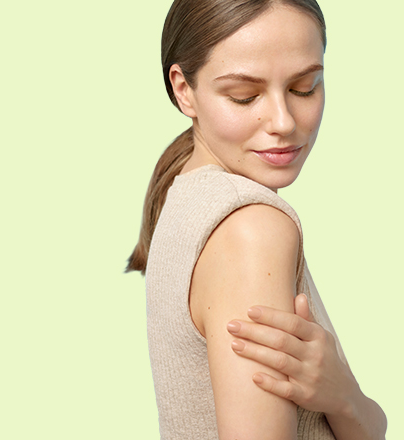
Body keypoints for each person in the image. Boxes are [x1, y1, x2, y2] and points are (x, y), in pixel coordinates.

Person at [126, 0, 387, 438]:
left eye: (304, 87)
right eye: (244, 96)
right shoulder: (251, 229)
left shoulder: (184, 188)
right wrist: (349, 401)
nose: (283, 122)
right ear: (183, 89)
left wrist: (343, 396)